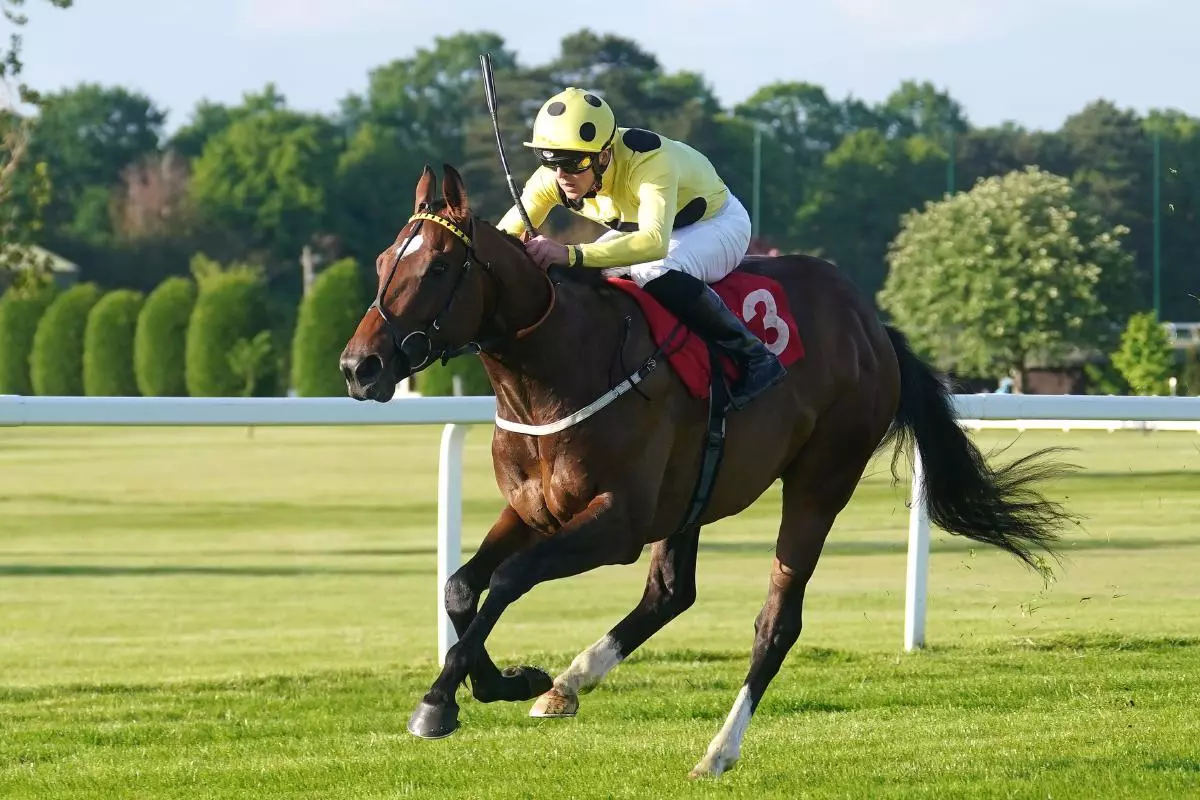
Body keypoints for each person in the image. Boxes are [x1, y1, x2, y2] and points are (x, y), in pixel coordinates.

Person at [496, 87, 786, 410]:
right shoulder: (555, 177)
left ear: (603, 155)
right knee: (578, 276)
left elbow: (653, 243)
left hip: (717, 224)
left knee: (651, 269)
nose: (561, 176)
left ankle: (754, 357)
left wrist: (569, 253)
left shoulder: (649, 163)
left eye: (573, 163)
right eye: (550, 162)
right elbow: (501, 239)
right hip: (654, 227)